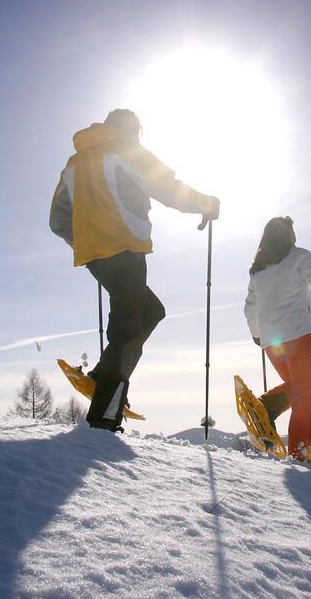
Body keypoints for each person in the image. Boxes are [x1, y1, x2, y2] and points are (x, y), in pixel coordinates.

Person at [49, 109, 219, 432]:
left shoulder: (75, 163)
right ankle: (104, 418)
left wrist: (86, 243)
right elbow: (167, 187)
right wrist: (207, 204)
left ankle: (103, 375)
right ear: (133, 131)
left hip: (96, 259)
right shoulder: (125, 149)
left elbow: (57, 220)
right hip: (125, 251)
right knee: (126, 329)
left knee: (152, 311)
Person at [244, 217, 311, 461]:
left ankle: (265, 408)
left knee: (296, 389)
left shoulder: (258, 270)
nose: (296, 236)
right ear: (286, 235)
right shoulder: (299, 256)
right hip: (298, 335)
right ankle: (300, 454)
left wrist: (257, 335)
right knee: (304, 396)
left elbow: (250, 308)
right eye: (293, 231)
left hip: (271, 342)